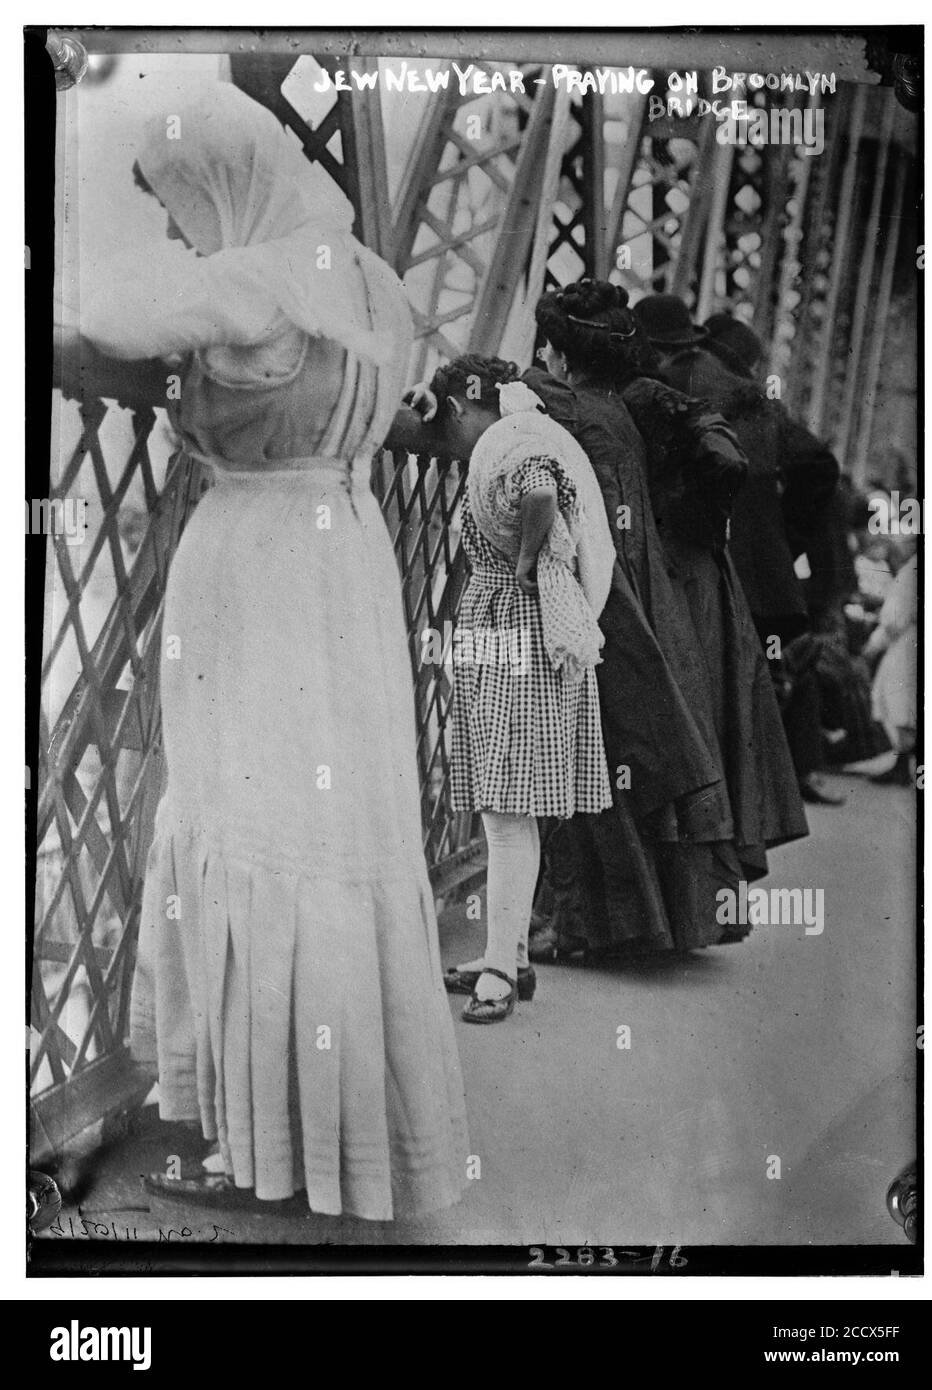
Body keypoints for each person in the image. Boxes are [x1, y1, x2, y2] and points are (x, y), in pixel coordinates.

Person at [75, 85, 467, 1219]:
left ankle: (263, 1146)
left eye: (175, 204)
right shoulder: (374, 286)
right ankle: (344, 1139)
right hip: (342, 554)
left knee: (251, 824)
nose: (175, 232)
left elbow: (106, 318)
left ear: (218, 184)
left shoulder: (253, 279)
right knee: (334, 829)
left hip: (251, 564)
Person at [525, 282, 807, 953]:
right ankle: (652, 920)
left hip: (605, 590)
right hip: (649, 583)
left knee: (602, 742)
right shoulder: (628, 406)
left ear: (562, 351)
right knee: (643, 743)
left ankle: (594, 925)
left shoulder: (568, 403)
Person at [422, 356, 614, 1018]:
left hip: (512, 625)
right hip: (511, 627)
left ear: (458, 409)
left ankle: (500, 970)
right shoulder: (522, 430)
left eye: (442, 426)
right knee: (513, 803)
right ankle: (511, 955)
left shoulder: (512, 445)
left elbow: (537, 491)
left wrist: (527, 563)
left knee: (505, 804)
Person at [636, 297, 844, 807]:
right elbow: (819, 463)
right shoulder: (755, 400)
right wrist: (783, 535)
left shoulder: (673, 382)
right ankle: (759, 799)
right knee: (756, 682)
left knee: (699, 683)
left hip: (701, 564)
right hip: (763, 575)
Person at [864, 546, 917, 786]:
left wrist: (873, 644)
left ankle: (903, 762)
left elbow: (894, 619)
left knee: (899, 702)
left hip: (907, 642)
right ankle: (903, 762)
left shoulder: (911, 569)